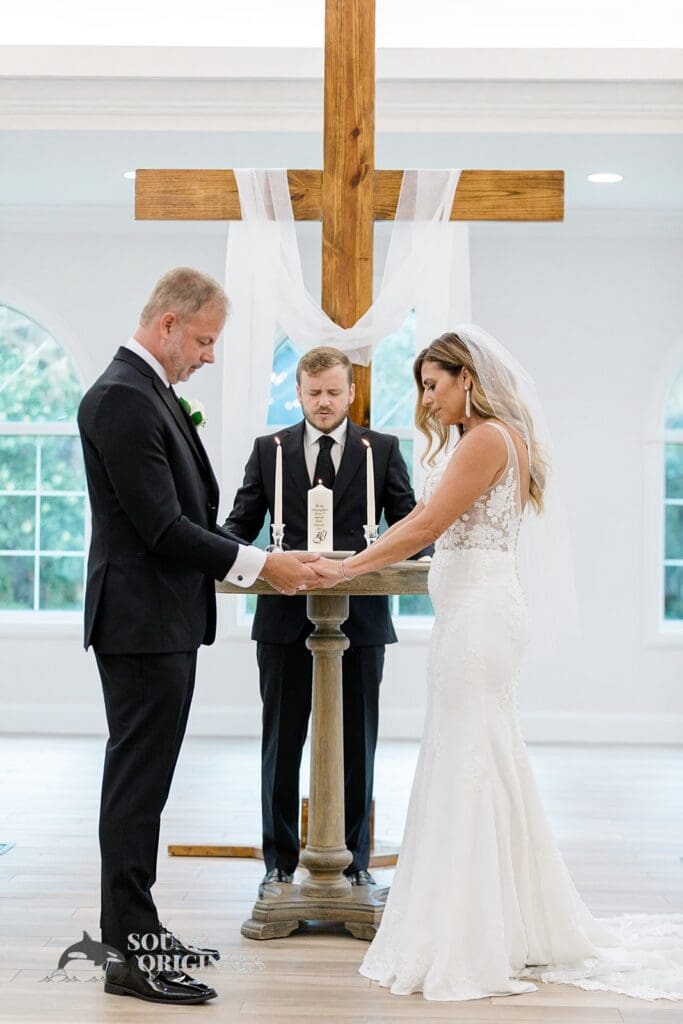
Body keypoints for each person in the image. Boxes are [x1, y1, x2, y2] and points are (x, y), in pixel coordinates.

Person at [308, 327, 683, 1002]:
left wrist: (343, 569)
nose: (425, 400)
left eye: (432, 384)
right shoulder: (486, 437)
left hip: (479, 621)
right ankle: (501, 922)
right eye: (422, 387)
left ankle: (471, 934)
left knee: (467, 761)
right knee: (481, 757)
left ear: (467, 379)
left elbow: (424, 525)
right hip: (474, 614)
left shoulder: (485, 438)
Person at [78, 267, 320, 1006]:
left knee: (145, 789)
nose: (209, 356)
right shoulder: (122, 397)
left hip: (161, 619)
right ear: (167, 326)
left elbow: (184, 515)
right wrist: (262, 565)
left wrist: (249, 562)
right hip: (141, 622)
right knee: (136, 790)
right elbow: (160, 526)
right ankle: (128, 957)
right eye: (206, 340)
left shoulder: (146, 391)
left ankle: (139, 928)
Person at [224, 346, 431, 892]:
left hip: (360, 616)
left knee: (357, 742)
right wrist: (203, 550)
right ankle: (278, 863)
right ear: (298, 392)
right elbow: (240, 524)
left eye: (333, 392)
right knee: (281, 742)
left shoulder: (380, 450)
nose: (323, 402)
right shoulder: (268, 451)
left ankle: (356, 860)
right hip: (283, 617)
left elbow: (409, 524)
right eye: (313, 392)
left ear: (351, 392)